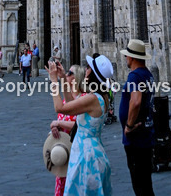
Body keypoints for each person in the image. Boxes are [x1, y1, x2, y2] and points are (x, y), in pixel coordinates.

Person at [48, 55, 113, 196]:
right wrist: (63, 78)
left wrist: (53, 81)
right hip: (92, 151)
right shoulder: (101, 96)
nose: (86, 69)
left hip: (87, 157)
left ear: (94, 74)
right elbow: (71, 102)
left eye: (89, 68)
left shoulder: (92, 99)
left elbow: (59, 107)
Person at [119, 39, 155, 196]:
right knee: (146, 183)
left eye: (127, 55)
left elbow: (136, 101)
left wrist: (129, 125)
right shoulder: (148, 75)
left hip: (136, 137)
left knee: (139, 185)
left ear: (132, 58)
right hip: (147, 134)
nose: (126, 58)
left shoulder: (135, 76)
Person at [53, 64, 80, 196]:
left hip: (76, 151)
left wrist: (55, 79)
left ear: (77, 78)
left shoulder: (82, 98)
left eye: (70, 73)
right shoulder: (67, 98)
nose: (67, 75)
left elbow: (79, 123)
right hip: (63, 153)